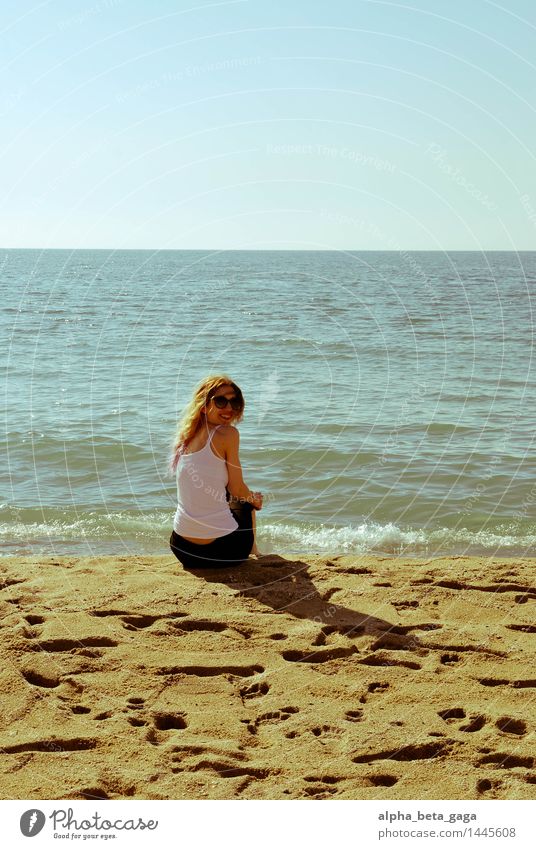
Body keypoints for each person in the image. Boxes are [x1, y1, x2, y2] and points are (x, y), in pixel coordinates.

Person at [169, 375, 263, 569]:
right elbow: (237, 489)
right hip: (224, 551)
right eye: (221, 401)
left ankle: (252, 547)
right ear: (203, 405)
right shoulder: (228, 434)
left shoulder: (185, 437)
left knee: (225, 491)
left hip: (182, 549)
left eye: (234, 402)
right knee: (244, 500)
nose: (229, 408)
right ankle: (254, 550)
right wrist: (254, 500)